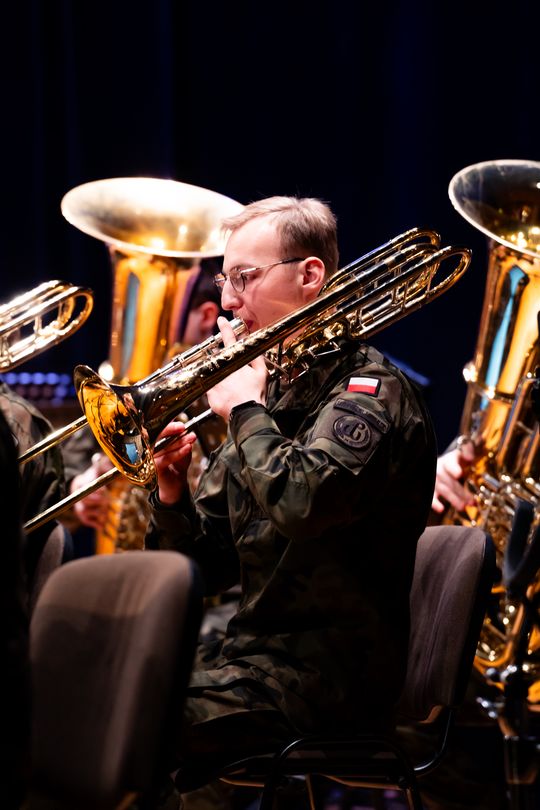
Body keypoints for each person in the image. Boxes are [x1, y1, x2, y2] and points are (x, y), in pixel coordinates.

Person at [144, 195, 438, 802]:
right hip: (250, 666)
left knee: (121, 717)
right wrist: (171, 494)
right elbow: (206, 568)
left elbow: (303, 505)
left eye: (245, 279)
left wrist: (246, 412)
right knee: (86, 683)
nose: (227, 302)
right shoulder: (270, 395)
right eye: (226, 280)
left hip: (327, 682)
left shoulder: (368, 391)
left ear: (310, 276)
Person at [61, 259, 226, 543]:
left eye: (161, 312)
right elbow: (70, 462)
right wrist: (79, 486)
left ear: (208, 315)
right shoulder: (128, 381)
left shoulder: (233, 382)